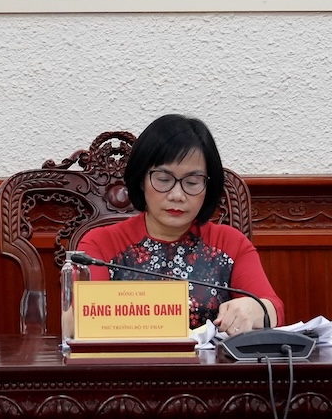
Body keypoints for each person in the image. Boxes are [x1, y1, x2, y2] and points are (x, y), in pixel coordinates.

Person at [77, 114, 284, 333]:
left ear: (208, 186)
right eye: (164, 180)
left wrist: (256, 308)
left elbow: (274, 309)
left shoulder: (230, 243)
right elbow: (82, 319)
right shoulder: (100, 244)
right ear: (141, 180)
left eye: (192, 182)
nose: (177, 195)